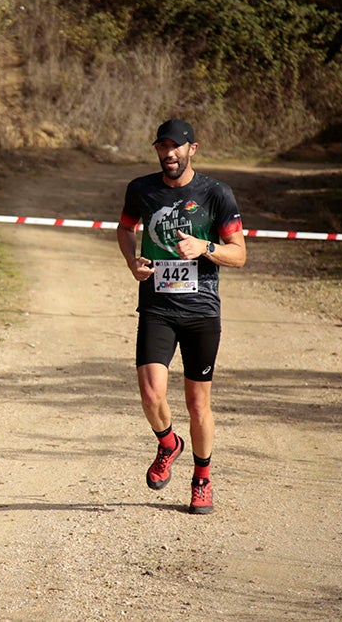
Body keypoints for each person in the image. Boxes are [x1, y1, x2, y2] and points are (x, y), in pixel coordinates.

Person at [116, 118, 246, 515]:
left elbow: (238, 254)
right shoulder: (141, 189)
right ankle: (168, 442)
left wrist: (205, 246)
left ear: (193, 149)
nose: (168, 154)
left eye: (176, 147)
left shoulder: (216, 193)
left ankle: (202, 478)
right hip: (157, 304)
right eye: (161, 147)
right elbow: (124, 230)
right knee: (151, 392)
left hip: (201, 310)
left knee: (196, 402)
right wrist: (132, 261)